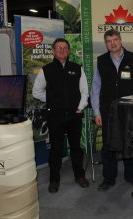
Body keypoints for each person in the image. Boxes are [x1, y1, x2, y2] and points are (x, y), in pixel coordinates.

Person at [90, 30, 133, 191]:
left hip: (129, 108)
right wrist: (96, 112)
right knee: (108, 145)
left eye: (115, 39)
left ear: (120, 40)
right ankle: (109, 178)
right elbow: (95, 87)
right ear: (106, 43)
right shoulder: (101, 61)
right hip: (107, 110)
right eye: (109, 41)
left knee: (130, 141)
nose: (112, 43)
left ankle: (130, 175)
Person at [32, 38, 89, 193]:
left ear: (68, 51)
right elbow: (36, 92)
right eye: (59, 48)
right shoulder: (46, 70)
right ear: (53, 50)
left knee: (76, 148)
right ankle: (54, 180)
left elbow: (84, 91)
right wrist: (52, 101)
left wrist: (80, 107)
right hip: (55, 116)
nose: (62, 50)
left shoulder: (77, 68)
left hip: (74, 115)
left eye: (65, 48)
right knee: (56, 149)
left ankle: (80, 176)